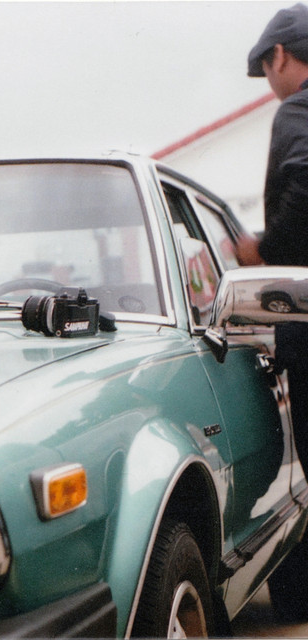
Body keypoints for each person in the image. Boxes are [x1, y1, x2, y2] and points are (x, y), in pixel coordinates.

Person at [238, 3, 308, 476]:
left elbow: (306, 181)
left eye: (265, 68)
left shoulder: (298, 109)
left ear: (279, 55)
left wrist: (263, 249)